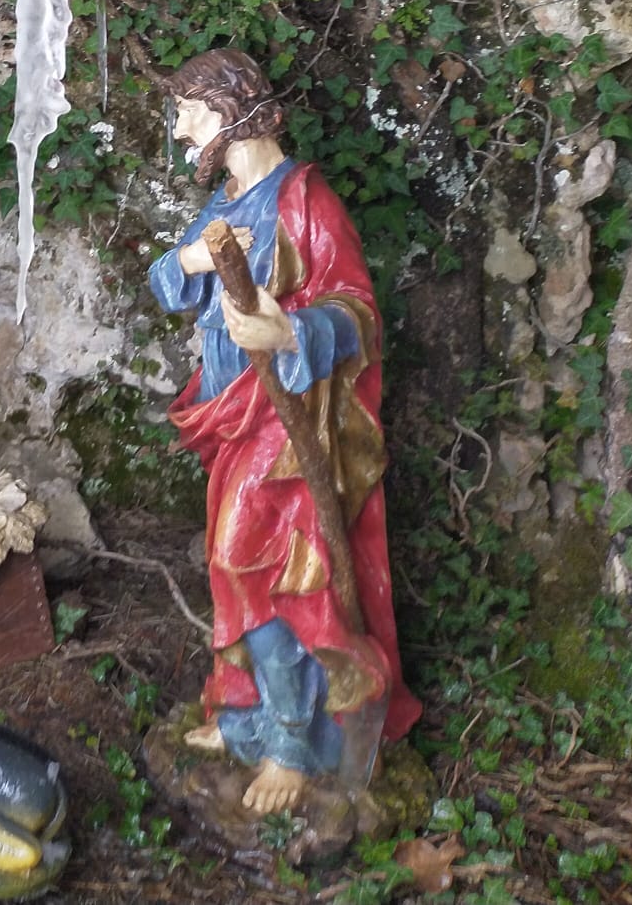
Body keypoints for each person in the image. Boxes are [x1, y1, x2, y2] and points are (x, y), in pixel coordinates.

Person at [149, 48, 421, 813]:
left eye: (186, 114)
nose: (177, 133)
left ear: (227, 110)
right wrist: (189, 257)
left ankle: (298, 745)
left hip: (292, 418)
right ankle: (247, 716)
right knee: (237, 567)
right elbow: (168, 285)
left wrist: (289, 332)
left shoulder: (304, 200)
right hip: (229, 412)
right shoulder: (227, 201)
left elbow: (357, 311)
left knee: (259, 562)